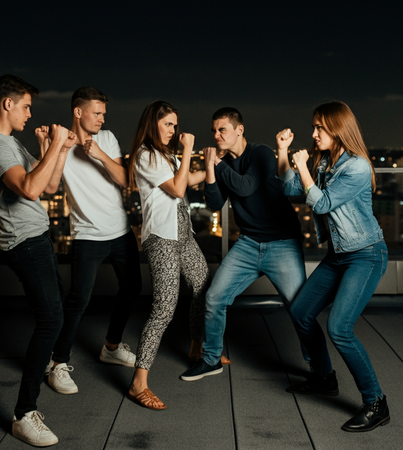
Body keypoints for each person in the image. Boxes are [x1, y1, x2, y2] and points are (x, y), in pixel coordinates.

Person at [0, 74, 76, 447]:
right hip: (24, 244)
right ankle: (23, 415)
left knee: (57, 309)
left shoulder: (12, 143)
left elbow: (49, 185)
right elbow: (31, 188)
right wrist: (55, 144)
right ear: (7, 104)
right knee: (50, 319)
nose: (31, 114)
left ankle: (51, 367)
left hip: (38, 239)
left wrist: (58, 149)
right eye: (27, 106)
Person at [276, 100, 389, 432]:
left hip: (366, 254)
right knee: (301, 312)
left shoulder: (356, 167)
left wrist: (304, 166)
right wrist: (283, 151)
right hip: (339, 256)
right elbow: (289, 187)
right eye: (313, 127)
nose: (313, 133)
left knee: (340, 328)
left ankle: (376, 403)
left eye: (319, 127)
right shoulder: (325, 161)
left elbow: (322, 203)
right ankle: (324, 377)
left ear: (338, 129)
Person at [181, 107, 306, 381]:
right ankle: (211, 359)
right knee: (214, 298)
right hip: (249, 244)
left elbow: (246, 186)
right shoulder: (223, 163)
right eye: (213, 130)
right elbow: (214, 203)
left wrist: (217, 163)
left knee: (300, 308)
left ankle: (322, 370)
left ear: (239, 130)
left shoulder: (260, 153)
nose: (215, 135)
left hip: (282, 243)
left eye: (222, 129)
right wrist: (212, 169)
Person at [41, 86, 142, 394]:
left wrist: (98, 153)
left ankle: (111, 346)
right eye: (96, 113)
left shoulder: (107, 138)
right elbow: (49, 187)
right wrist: (50, 146)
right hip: (87, 236)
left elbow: (125, 179)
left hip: (121, 231)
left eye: (103, 113)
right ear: (78, 112)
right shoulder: (62, 145)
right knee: (78, 300)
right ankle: (57, 363)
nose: (101, 118)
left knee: (133, 288)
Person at [126, 100, 210, 410]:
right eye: (168, 124)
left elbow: (186, 180)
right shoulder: (147, 155)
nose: (174, 130)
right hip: (162, 238)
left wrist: (216, 163)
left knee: (202, 284)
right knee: (164, 307)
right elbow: (176, 189)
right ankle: (138, 383)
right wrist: (189, 149)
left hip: (183, 233)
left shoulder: (166, 156)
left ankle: (197, 348)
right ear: (153, 124)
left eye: (176, 125)